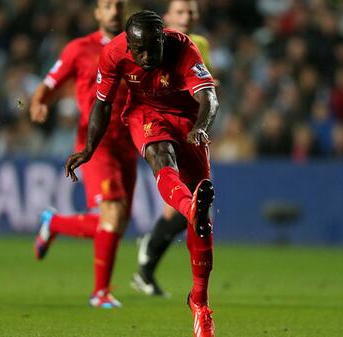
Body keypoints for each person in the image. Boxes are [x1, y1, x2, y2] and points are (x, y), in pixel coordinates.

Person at [65, 10, 218, 337]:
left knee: (202, 222)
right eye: (140, 50)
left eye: (153, 48)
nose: (147, 56)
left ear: (163, 38)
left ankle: (200, 303)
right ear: (129, 47)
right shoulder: (113, 53)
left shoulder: (184, 47)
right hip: (144, 113)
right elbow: (102, 104)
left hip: (188, 119)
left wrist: (201, 129)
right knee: (159, 156)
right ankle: (189, 205)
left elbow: (209, 98)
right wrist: (89, 149)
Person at [30, 0, 137, 308]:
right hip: (95, 142)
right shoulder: (79, 48)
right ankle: (100, 292)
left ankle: (54, 223)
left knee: (117, 222)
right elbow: (50, 83)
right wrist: (39, 102)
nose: (114, 10)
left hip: (128, 141)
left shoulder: (136, 45)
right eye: (107, 5)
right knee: (112, 215)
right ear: (97, 13)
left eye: (118, 5)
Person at [132, 0, 211, 297]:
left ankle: (147, 258)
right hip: (157, 125)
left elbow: (205, 85)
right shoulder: (149, 46)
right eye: (180, 12)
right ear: (167, 18)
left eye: (191, 11)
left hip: (189, 129)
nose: (187, 17)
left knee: (185, 212)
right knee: (189, 209)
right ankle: (147, 264)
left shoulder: (200, 44)